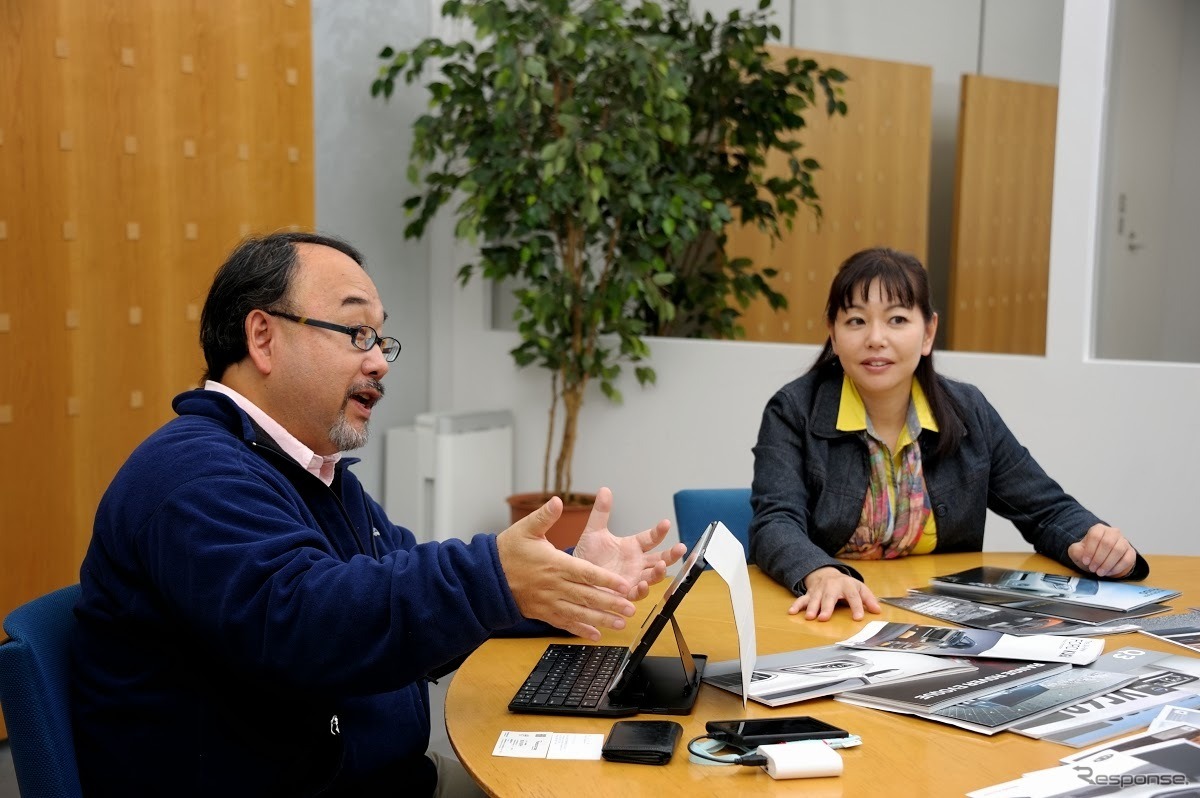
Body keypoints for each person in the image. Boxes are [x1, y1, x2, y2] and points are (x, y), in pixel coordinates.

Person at [71, 231, 686, 797]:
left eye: (380, 338)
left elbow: (399, 581)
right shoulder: (193, 475)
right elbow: (306, 621)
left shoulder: (308, 468)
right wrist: (495, 576)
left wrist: (556, 580)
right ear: (262, 337)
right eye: (354, 333)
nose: (380, 362)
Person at [748, 247, 1148, 623]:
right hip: (832, 616)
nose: (875, 338)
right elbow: (775, 522)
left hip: (939, 621)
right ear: (833, 334)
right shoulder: (794, 410)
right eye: (855, 320)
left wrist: (1098, 543)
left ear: (928, 333)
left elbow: (1045, 510)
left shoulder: (968, 410)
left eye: (897, 319)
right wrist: (819, 572)